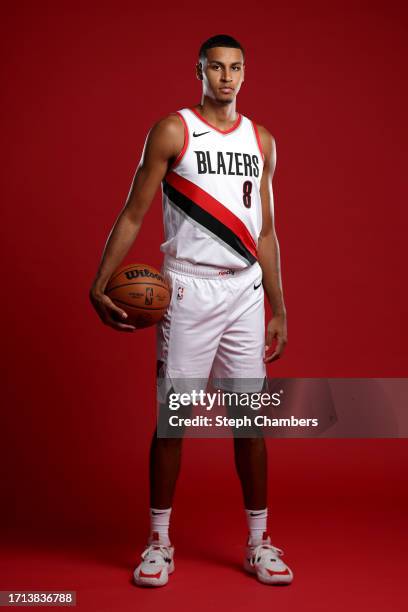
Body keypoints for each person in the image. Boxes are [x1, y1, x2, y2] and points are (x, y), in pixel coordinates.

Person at [89, 34, 292, 587]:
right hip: (188, 291)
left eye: (236, 68)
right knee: (174, 422)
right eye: (216, 67)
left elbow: (268, 233)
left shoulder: (262, 140)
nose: (226, 77)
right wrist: (101, 279)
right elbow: (133, 212)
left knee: (251, 422)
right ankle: (158, 543)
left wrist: (278, 306)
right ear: (200, 70)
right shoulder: (174, 130)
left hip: (245, 292)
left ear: (245, 73)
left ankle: (259, 542)